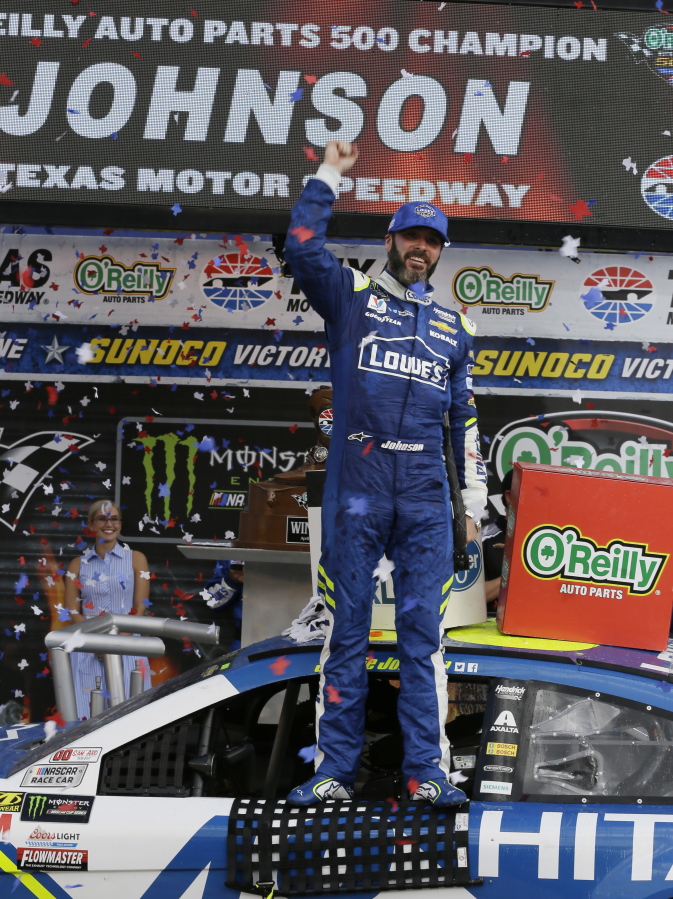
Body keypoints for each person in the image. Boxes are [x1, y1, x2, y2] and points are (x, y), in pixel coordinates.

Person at [283, 141, 488, 807]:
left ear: (439, 250)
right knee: (345, 632)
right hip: (358, 496)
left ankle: (426, 771)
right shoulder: (351, 296)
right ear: (390, 239)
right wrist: (328, 175)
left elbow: (462, 421)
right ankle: (333, 773)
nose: (420, 248)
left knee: (421, 641)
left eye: (431, 240)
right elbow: (302, 245)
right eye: (410, 236)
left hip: (428, 502)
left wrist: (472, 502)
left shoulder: (455, 326)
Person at [64, 500, 152, 719]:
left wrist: (117, 643)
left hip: (129, 644)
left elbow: (141, 605)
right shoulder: (77, 565)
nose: (109, 524)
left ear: (120, 524)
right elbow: (72, 611)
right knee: (86, 716)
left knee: (130, 715)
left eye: (114, 518)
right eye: (102, 518)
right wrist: (96, 643)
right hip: (88, 648)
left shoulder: (137, 559)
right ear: (91, 524)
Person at [482, 469, 513, 616]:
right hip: (489, 629)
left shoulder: (549, 540)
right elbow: (466, 597)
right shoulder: (482, 538)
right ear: (509, 496)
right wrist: (519, 576)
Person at [202, 560, 244, 652]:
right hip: (244, 639)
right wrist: (232, 581)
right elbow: (212, 600)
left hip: (282, 637)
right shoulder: (232, 556)